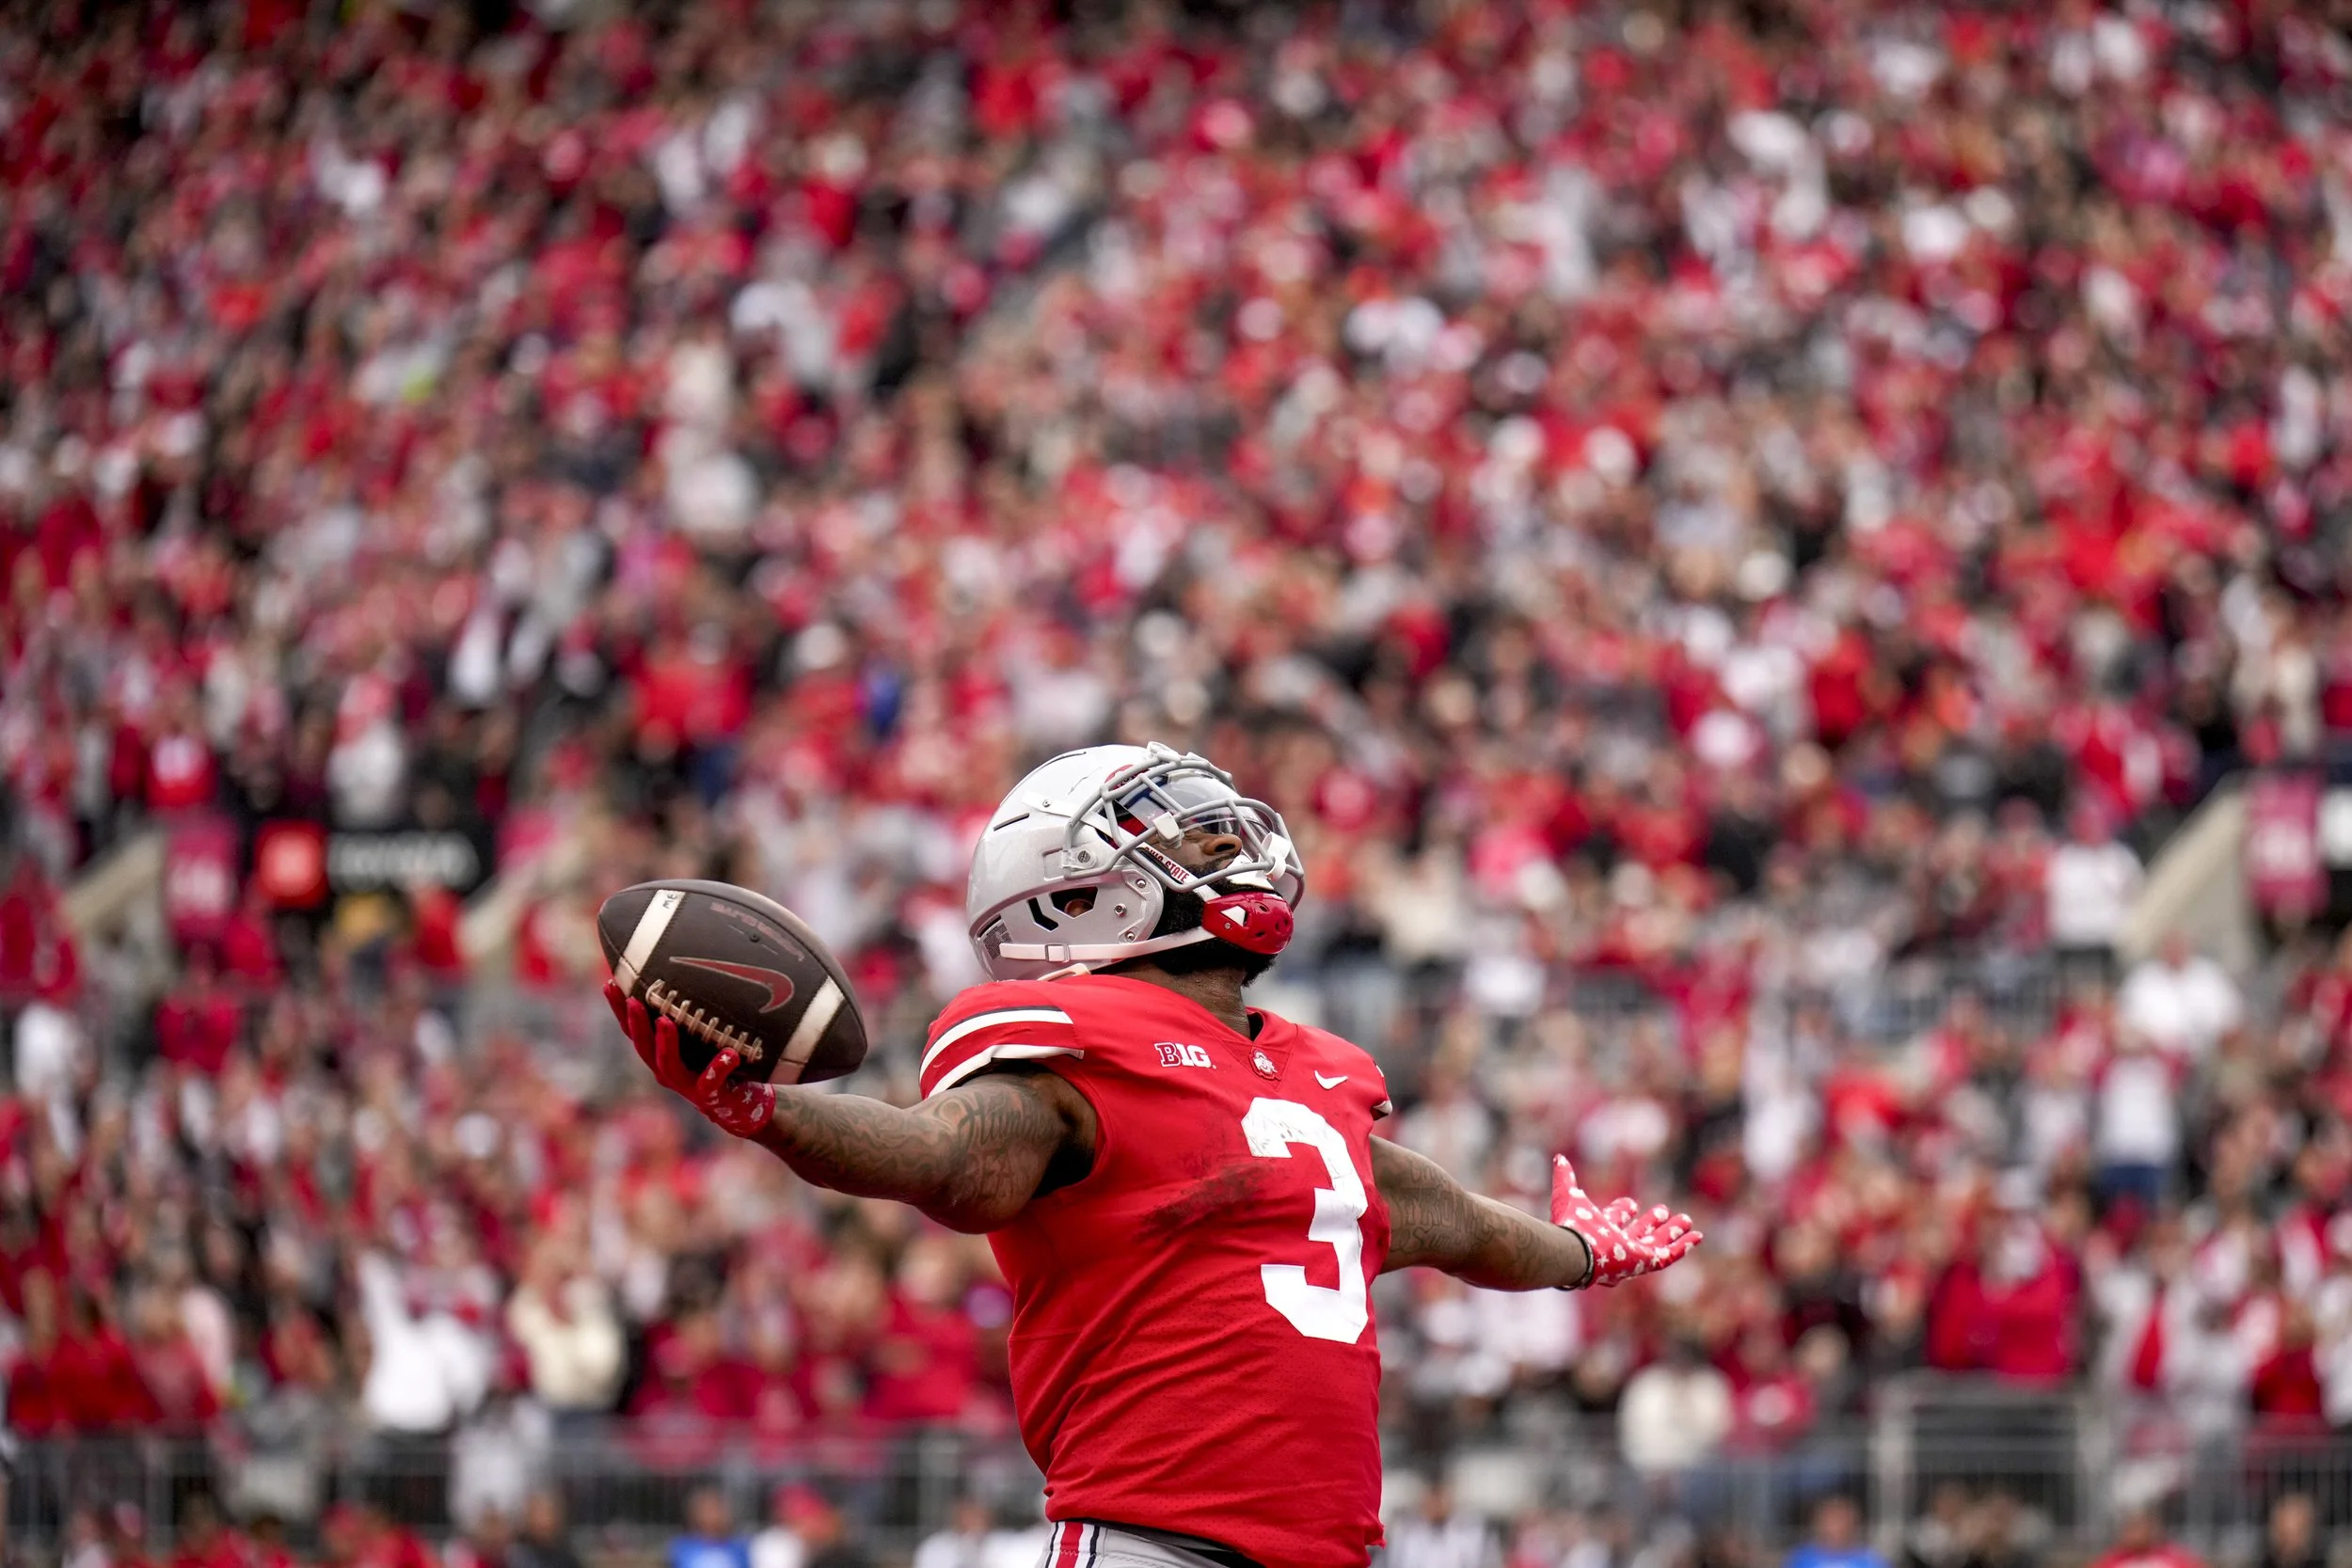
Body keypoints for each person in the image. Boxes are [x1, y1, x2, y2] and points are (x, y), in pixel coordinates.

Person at [611, 744, 1702, 1568]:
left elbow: (1454, 1219)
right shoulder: (1073, 1050)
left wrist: (1574, 1249)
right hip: (1153, 1540)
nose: (1224, 850)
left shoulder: (1314, 1070)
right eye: (1182, 838)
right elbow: (945, 1155)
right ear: (1069, 891)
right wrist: (774, 1116)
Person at [1383, 1481, 1500, 1568]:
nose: (1436, 1506)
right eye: (1432, 1501)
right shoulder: (1408, 1536)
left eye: (1440, 1501)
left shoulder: (1468, 1533)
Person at [1785, 1497, 1886, 1568]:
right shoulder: (1800, 1559)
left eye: (1841, 1521)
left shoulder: (1872, 1561)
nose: (1835, 1528)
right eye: (1830, 1521)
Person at [670, 1489, 751, 1568]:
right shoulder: (683, 1548)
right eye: (707, 1510)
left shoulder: (738, 1549)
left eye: (716, 1509)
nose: (713, 1516)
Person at [508, 1492, 585, 1568]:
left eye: (546, 1514)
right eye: (537, 1514)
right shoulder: (518, 1555)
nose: (541, 1522)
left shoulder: (567, 1557)